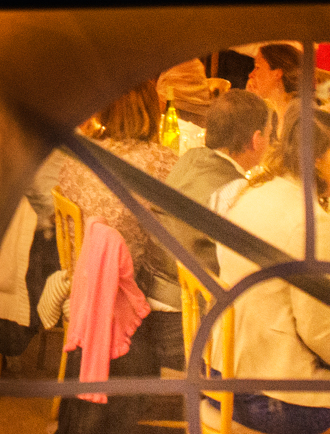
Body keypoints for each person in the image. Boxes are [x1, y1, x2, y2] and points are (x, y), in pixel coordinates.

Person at [216, 105, 330, 434]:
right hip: (266, 395)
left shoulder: (254, 190)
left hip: (221, 372)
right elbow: (317, 330)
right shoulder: (312, 220)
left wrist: (325, 262)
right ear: (314, 157)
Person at [52, 84, 181, 434]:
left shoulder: (77, 156)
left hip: (83, 289)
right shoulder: (164, 163)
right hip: (127, 295)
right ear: (153, 111)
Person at [164, 89, 269, 271]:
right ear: (256, 140)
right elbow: (243, 261)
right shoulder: (234, 189)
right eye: (269, 134)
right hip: (190, 295)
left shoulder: (190, 157)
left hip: (154, 282)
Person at [245, 43, 302, 116]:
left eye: (257, 68)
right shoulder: (276, 115)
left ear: (277, 74)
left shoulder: (301, 116)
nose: (251, 75)